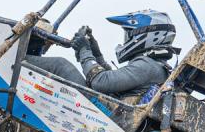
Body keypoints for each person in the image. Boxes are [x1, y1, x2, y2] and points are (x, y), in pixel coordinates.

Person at [26, 9, 176, 98]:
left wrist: (85, 51)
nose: (127, 39)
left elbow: (100, 82)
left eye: (129, 34)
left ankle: (13, 62)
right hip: (110, 111)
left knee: (59, 65)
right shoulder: (155, 65)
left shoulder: (148, 66)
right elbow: (114, 82)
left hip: (104, 115)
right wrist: (96, 54)